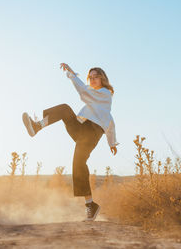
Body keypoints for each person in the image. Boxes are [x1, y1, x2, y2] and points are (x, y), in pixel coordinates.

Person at [22, 63, 119, 221]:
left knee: (78, 164)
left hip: (92, 133)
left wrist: (72, 74)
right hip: (81, 130)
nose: (93, 80)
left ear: (103, 79)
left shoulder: (105, 94)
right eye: (91, 77)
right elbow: (111, 122)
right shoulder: (97, 100)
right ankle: (37, 126)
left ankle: (90, 205)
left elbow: (107, 121)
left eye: (96, 77)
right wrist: (112, 143)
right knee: (64, 110)